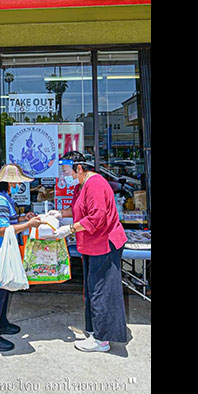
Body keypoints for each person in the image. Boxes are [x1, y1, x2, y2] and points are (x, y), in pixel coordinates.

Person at [49, 151, 128, 353]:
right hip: (91, 244)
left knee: (102, 290)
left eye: (67, 171)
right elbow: (78, 210)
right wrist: (60, 214)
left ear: (79, 168)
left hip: (104, 244)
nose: (65, 175)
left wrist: (70, 229)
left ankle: (102, 340)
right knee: (92, 289)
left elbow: (96, 218)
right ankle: (95, 330)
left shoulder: (96, 184)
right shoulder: (81, 185)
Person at [0, 164, 43, 352]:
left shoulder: (3, 197)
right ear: (8, 182)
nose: (18, 185)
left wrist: (24, 218)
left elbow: (8, 221)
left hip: (1, 250)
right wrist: (29, 224)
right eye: (16, 182)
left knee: (3, 288)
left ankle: (1, 323)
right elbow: (2, 229)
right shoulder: (0, 200)